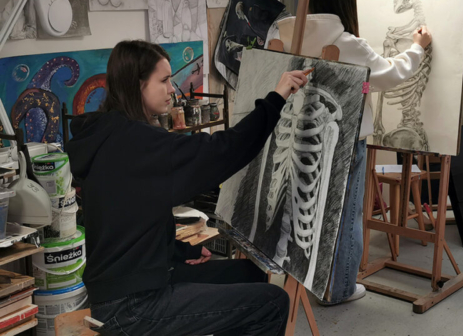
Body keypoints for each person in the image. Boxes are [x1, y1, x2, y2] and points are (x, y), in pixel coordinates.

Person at [67, 40, 309, 336]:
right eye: (164, 80)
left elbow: (129, 217)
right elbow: (225, 150)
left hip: (127, 286)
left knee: (249, 272)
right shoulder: (139, 143)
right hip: (132, 307)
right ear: (138, 85)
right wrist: (276, 98)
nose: (172, 89)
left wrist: (180, 251)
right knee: (273, 303)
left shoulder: (108, 135)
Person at [265, 0, 432, 305]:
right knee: (344, 215)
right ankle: (340, 288)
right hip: (342, 138)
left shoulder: (281, 35)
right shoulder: (346, 43)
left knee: (298, 211)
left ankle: (303, 280)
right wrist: (417, 48)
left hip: (289, 132)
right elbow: (390, 74)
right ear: (345, 3)